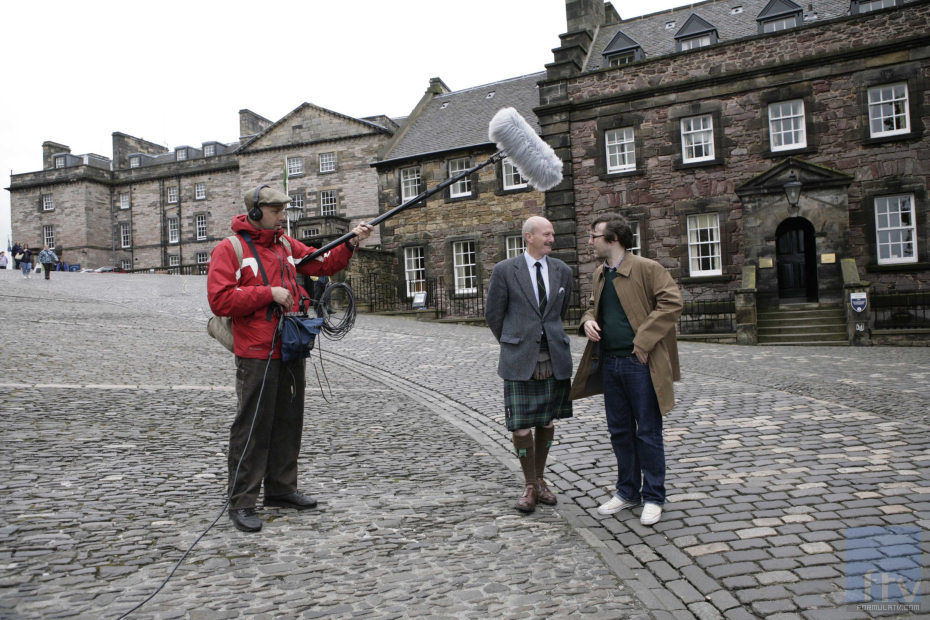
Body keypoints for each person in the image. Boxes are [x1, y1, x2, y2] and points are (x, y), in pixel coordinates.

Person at [207, 185, 372, 533]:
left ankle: (281, 489)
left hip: (290, 346)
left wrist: (351, 241)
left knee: (288, 422)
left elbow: (323, 262)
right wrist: (270, 293)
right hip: (256, 352)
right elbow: (220, 300)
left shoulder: (285, 245)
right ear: (255, 212)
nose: (283, 215)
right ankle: (242, 500)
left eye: (284, 208)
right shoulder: (230, 249)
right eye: (276, 209)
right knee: (253, 426)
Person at [572, 214, 682, 526]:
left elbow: (672, 303)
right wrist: (588, 320)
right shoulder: (599, 274)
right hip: (610, 363)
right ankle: (627, 491)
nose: (590, 241)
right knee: (620, 431)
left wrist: (643, 342)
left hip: (639, 364)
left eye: (594, 235)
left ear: (613, 239)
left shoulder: (647, 268)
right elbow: (594, 306)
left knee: (648, 431)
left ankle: (654, 496)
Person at [485, 215, 574, 513]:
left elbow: (560, 311)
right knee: (521, 428)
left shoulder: (563, 270)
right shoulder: (505, 270)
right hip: (520, 359)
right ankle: (529, 485)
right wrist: (515, 343)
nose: (551, 239)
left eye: (552, 234)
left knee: (546, 422)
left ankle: (540, 479)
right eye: (546, 234)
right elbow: (493, 315)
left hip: (553, 358)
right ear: (529, 237)